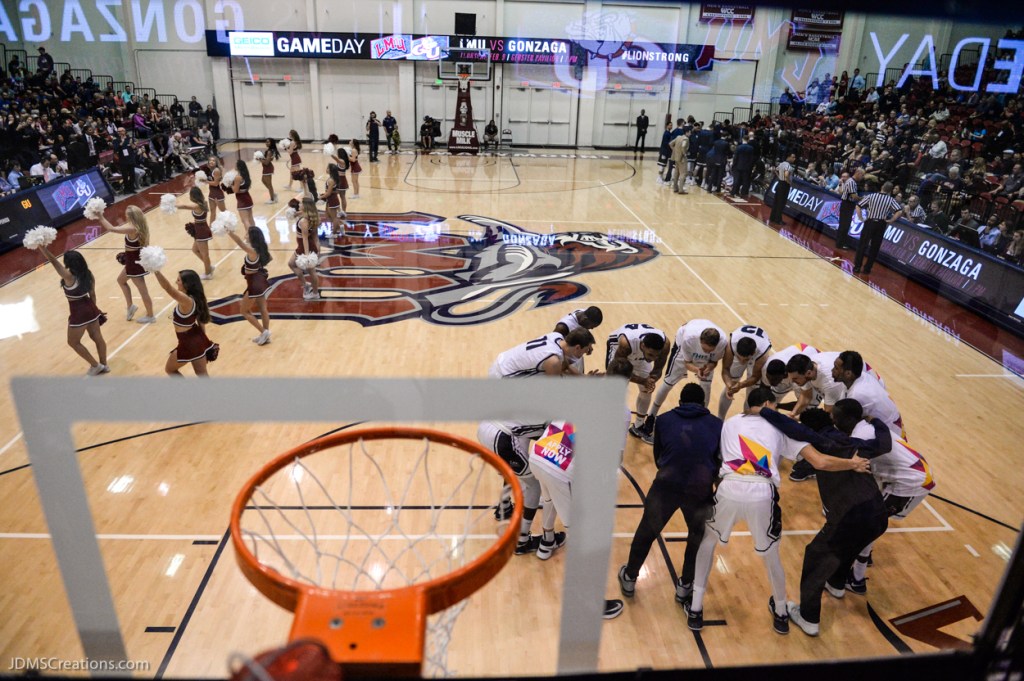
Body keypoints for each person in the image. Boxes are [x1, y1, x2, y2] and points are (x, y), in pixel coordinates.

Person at [684, 388, 872, 634]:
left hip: (728, 487)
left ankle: (696, 609)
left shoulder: (729, 423)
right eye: (775, 405)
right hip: (763, 493)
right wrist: (853, 463)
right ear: (766, 404)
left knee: (708, 544)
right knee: (771, 556)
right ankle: (782, 613)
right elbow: (820, 462)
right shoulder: (782, 428)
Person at [755, 404, 892, 637]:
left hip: (851, 515)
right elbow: (885, 442)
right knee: (849, 547)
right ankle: (837, 584)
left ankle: (808, 617)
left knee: (815, 556)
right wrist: (875, 421)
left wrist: (763, 411)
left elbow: (791, 427)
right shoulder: (855, 443)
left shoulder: (819, 441)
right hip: (879, 514)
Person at [530, 359, 633, 620]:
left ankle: (546, 542)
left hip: (540, 453)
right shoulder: (620, 410)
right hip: (561, 468)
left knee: (549, 496)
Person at [478, 329, 597, 551]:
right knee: (533, 483)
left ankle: (505, 507)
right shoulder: (554, 403)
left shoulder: (555, 340)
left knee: (521, 467)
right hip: (501, 431)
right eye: (587, 351)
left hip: (495, 413)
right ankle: (522, 540)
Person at [618, 383, 722, 605]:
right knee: (697, 535)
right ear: (704, 404)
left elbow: (658, 456)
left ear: (680, 402)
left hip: (667, 484)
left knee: (647, 530)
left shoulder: (664, 420)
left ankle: (630, 577)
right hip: (700, 487)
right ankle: (685, 586)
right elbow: (717, 460)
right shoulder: (717, 425)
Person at [641, 320, 728, 442]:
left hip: (702, 352)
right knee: (668, 382)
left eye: (710, 350)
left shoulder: (722, 342)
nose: (707, 352)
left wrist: (708, 367)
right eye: (705, 349)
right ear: (700, 341)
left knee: (706, 386)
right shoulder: (688, 339)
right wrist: (697, 370)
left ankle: (702, 419)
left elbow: (713, 362)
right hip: (683, 346)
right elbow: (687, 363)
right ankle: (651, 417)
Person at [38, 244, 109, 376]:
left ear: (68, 263)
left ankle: (96, 365)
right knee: (97, 337)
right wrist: (94, 312)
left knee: (73, 342)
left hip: (79, 312)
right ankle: (104, 365)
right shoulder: (89, 274)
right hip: (91, 307)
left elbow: (55, 263)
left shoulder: (69, 276)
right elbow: (93, 295)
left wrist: (44, 249)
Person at [606, 323, 670, 439]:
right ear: (643, 345)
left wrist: (651, 379)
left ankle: (639, 425)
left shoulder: (665, 345)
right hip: (619, 351)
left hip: (640, 354)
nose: (652, 359)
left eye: (656, 356)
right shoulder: (626, 344)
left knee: (647, 389)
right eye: (651, 354)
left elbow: (658, 368)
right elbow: (621, 372)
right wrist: (642, 380)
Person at [97, 206, 156, 323]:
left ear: (131, 216)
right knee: (121, 280)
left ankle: (150, 316)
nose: (125, 216)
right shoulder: (141, 226)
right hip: (133, 260)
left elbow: (111, 229)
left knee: (142, 290)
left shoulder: (132, 228)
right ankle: (130, 306)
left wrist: (100, 217)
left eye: (127, 215)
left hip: (134, 263)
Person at [154, 269, 218, 377]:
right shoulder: (196, 298)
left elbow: (168, 288)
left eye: (178, 280)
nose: (176, 282)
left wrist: (156, 270)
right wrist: (203, 342)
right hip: (197, 338)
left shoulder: (186, 300)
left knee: (170, 369)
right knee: (202, 375)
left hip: (188, 342)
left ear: (186, 284)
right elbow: (201, 320)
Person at [833, 350, 904, 438]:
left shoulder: (857, 394)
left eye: (836, 368)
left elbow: (848, 424)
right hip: (891, 419)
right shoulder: (860, 376)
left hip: (890, 429)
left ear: (848, 374)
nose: (832, 370)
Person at [226, 226, 273, 345]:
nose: (245, 235)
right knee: (263, 309)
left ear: (252, 237)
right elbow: (269, 258)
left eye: (247, 234)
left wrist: (229, 231)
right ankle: (265, 334)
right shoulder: (259, 249)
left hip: (254, 284)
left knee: (244, 310)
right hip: (260, 281)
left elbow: (239, 243)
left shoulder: (252, 251)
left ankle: (264, 332)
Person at [717, 324, 772, 420]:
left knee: (752, 392)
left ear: (753, 353)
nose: (742, 362)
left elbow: (755, 377)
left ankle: (746, 421)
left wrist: (741, 385)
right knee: (729, 387)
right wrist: (730, 386)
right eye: (739, 358)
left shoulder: (762, 353)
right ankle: (720, 419)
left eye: (745, 360)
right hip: (743, 350)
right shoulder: (731, 345)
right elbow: (725, 369)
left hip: (757, 357)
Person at [853, 181, 903, 275]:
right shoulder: (891, 200)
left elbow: (858, 206)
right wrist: (891, 220)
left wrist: (860, 218)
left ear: (882, 187)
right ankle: (867, 269)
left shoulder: (871, 196)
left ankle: (857, 267)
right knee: (874, 248)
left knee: (862, 245)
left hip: (870, 222)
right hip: (881, 224)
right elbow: (899, 211)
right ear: (890, 190)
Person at [554, 306, 603, 374]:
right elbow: (555, 347)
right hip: (566, 359)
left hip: (577, 354)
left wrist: (588, 345)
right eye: (591, 326)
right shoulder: (562, 327)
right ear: (585, 319)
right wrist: (566, 366)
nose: (591, 328)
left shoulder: (583, 313)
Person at [177, 186, 214, 279]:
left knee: (205, 254)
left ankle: (208, 273)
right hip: (200, 229)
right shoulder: (203, 202)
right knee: (194, 250)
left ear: (193, 196)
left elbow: (185, 206)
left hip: (201, 230)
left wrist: (172, 205)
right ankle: (209, 266)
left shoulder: (197, 206)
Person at [289, 197, 321, 301]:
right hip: (309, 246)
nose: (299, 205)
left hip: (304, 247)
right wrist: (318, 249)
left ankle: (315, 293)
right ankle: (306, 284)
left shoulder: (303, 221)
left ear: (305, 206)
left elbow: (305, 239)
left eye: (301, 204)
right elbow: (315, 237)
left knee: (312, 272)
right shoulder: (313, 217)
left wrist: (307, 255)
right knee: (291, 264)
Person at [835, 168, 862, 250]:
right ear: (858, 173)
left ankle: (840, 242)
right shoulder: (852, 182)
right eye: (862, 175)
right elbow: (854, 196)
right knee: (844, 225)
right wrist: (862, 199)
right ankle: (840, 243)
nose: (862, 177)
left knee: (844, 224)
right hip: (847, 204)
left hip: (846, 204)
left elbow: (842, 192)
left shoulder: (849, 181)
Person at [226, 159, 255, 228]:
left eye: (236, 164)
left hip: (242, 201)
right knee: (250, 218)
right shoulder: (246, 176)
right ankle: (254, 234)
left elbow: (235, 190)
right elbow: (245, 188)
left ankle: (249, 235)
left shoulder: (238, 177)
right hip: (248, 198)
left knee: (245, 220)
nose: (234, 166)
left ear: (238, 166)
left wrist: (230, 185)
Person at [324, 163, 347, 242]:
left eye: (327, 168)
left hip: (332, 200)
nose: (326, 169)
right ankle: (340, 226)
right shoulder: (333, 178)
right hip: (331, 199)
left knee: (334, 217)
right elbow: (335, 191)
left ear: (330, 170)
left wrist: (319, 197)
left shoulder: (331, 180)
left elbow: (328, 193)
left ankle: (334, 233)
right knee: (327, 215)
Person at [769, 153, 794, 225]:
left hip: (779, 183)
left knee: (776, 202)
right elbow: (786, 175)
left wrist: (779, 177)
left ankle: (772, 217)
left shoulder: (782, 163)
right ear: (788, 157)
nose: (794, 159)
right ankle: (778, 220)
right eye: (793, 157)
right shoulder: (788, 166)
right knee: (781, 203)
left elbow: (774, 170)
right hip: (784, 185)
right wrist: (789, 182)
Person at [203, 155, 227, 221]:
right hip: (211, 194)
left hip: (218, 194)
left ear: (216, 162)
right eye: (210, 160)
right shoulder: (210, 170)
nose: (211, 162)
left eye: (213, 160)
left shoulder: (216, 170)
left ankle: (230, 228)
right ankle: (211, 229)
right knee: (212, 212)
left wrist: (205, 181)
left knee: (224, 212)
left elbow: (216, 184)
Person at [114, 127, 137, 193]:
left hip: (130, 159)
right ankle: (126, 189)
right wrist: (122, 142)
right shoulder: (116, 140)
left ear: (124, 131)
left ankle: (132, 188)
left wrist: (132, 144)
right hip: (123, 160)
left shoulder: (129, 138)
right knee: (125, 176)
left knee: (132, 175)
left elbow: (134, 148)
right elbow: (115, 149)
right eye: (118, 131)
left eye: (121, 131)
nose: (120, 132)